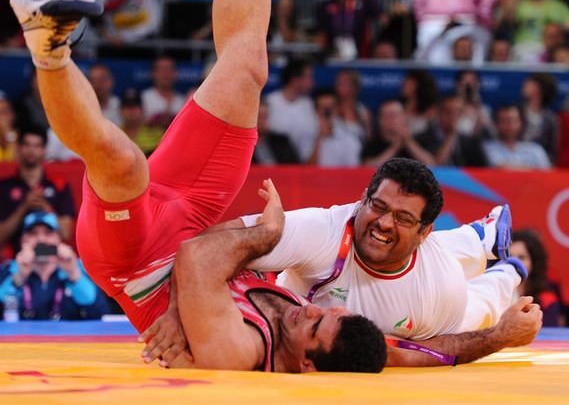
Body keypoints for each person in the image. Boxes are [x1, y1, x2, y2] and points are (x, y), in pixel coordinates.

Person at [9, 0, 388, 374]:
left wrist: (263, 237)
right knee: (247, 69)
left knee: (121, 162)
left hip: (136, 259)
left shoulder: (241, 352)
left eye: (314, 329)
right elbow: (419, 353)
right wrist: (494, 334)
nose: (310, 314)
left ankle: (48, 45)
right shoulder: (320, 326)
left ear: (309, 368)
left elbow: (195, 263)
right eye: (324, 313)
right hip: (192, 219)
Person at [145, 158, 542, 369]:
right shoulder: (325, 231)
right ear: (363, 199)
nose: (384, 221)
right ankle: (483, 238)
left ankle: (500, 258)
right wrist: (178, 309)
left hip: (439, 300)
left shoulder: (436, 293)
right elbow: (207, 244)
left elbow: (417, 353)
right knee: (394, 240)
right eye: (378, 206)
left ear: (423, 231)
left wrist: (502, 335)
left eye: (403, 217)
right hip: (402, 271)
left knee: (485, 300)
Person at [0, 211, 109, 320]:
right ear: (23, 240)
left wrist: (73, 274)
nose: (41, 240)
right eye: (33, 233)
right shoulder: (8, 269)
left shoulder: (78, 268)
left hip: (68, 336)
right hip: (20, 336)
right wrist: (19, 277)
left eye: (48, 233)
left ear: (58, 238)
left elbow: (99, 312)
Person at [0, 127, 76, 257]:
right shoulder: (4, 188)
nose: (31, 150)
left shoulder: (59, 186)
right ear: (18, 148)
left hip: (53, 259)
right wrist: (24, 207)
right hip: (18, 259)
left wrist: (45, 206)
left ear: (44, 150)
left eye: (37, 145)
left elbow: (66, 233)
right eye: (27, 145)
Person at [265, 58, 318, 163]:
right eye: (308, 77)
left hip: (305, 165)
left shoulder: (309, 105)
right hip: (276, 164)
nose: (312, 81)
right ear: (295, 79)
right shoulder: (270, 102)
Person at [511, 228, 565, 327]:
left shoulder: (547, 300)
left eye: (521, 257)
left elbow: (550, 338)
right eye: (510, 257)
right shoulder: (493, 295)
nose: (514, 263)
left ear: (534, 262)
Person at [483, 105, 551, 170]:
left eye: (513, 120)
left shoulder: (536, 150)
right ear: (496, 124)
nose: (509, 125)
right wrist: (531, 169)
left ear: (521, 123)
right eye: (504, 121)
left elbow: (547, 175)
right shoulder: (486, 149)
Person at [141, 56, 186, 128]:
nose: (165, 74)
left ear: (175, 73)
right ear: (153, 73)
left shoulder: (183, 100)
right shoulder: (144, 98)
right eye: (161, 69)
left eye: (169, 69)